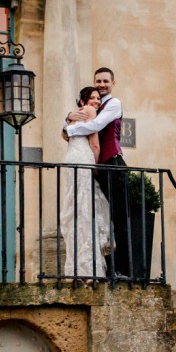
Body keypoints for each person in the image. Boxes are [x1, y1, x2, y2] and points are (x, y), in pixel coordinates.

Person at [65, 67, 131, 277]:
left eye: (105, 81)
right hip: (100, 167)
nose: (102, 85)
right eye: (98, 81)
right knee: (103, 215)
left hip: (113, 163)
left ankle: (123, 269)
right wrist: (67, 118)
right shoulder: (95, 106)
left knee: (119, 218)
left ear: (113, 83)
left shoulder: (114, 104)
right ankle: (107, 267)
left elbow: (96, 125)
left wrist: (69, 128)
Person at [61, 87, 110, 279]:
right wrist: (96, 164)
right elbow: (95, 144)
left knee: (75, 209)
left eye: (98, 98)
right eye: (92, 98)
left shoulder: (73, 117)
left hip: (71, 158)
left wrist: (67, 118)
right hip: (84, 159)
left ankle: (75, 267)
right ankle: (88, 269)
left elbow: (65, 134)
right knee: (86, 210)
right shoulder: (90, 111)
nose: (96, 101)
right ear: (83, 101)